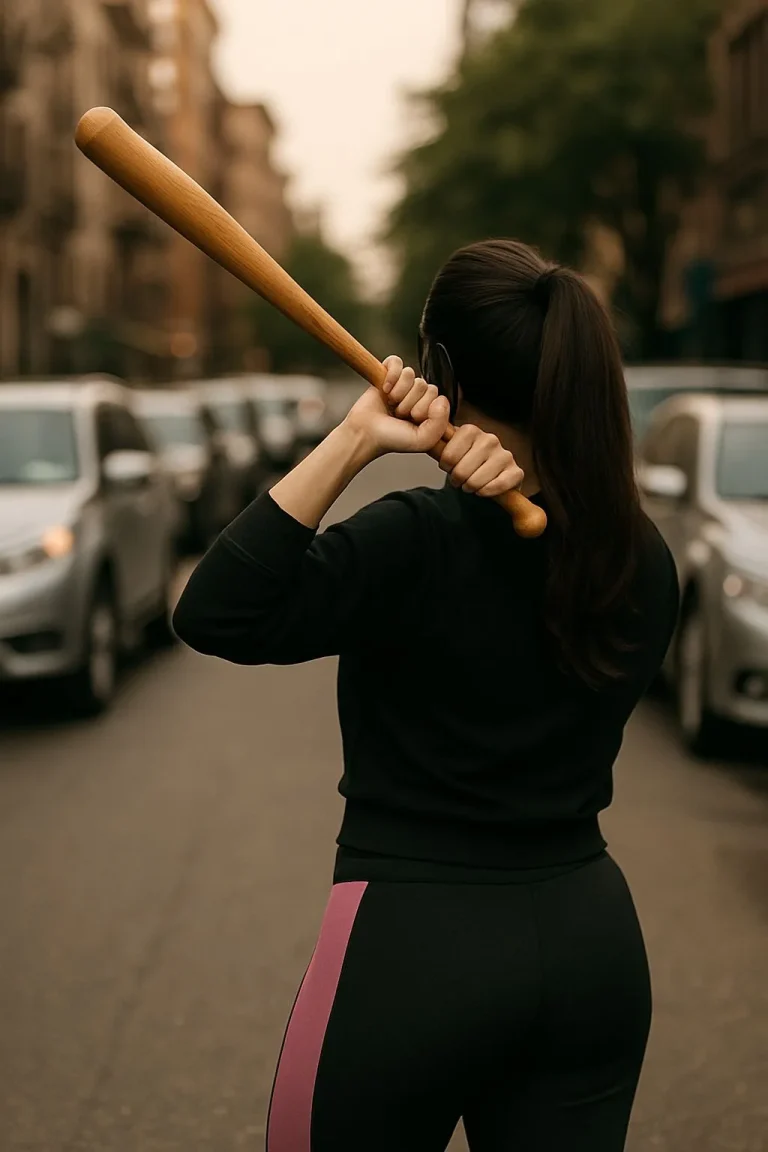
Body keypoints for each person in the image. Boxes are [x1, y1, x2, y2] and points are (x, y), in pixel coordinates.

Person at [172, 238, 680, 1152]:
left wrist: (358, 436)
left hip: (409, 950)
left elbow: (216, 611)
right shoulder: (640, 557)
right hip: (589, 945)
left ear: (440, 373)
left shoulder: (414, 541)